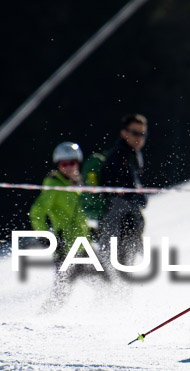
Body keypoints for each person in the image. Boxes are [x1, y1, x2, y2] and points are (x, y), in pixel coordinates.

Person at [29, 142, 92, 300]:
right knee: (62, 291)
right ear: (58, 165)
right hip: (65, 247)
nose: (69, 167)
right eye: (64, 163)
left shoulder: (76, 185)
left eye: (73, 163)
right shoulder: (54, 185)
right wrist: (45, 236)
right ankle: (43, 320)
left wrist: (90, 230)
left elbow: (77, 215)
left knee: (103, 283)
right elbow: (37, 212)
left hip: (82, 245)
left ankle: (107, 314)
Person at [99, 113, 149, 264]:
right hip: (116, 220)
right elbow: (120, 190)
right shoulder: (119, 155)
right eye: (135, 133)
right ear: (124, 133)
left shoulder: (133, 154)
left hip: (128, 220)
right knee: (114, 264)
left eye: (142, 134)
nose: (139, 137)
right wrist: (138, 196)